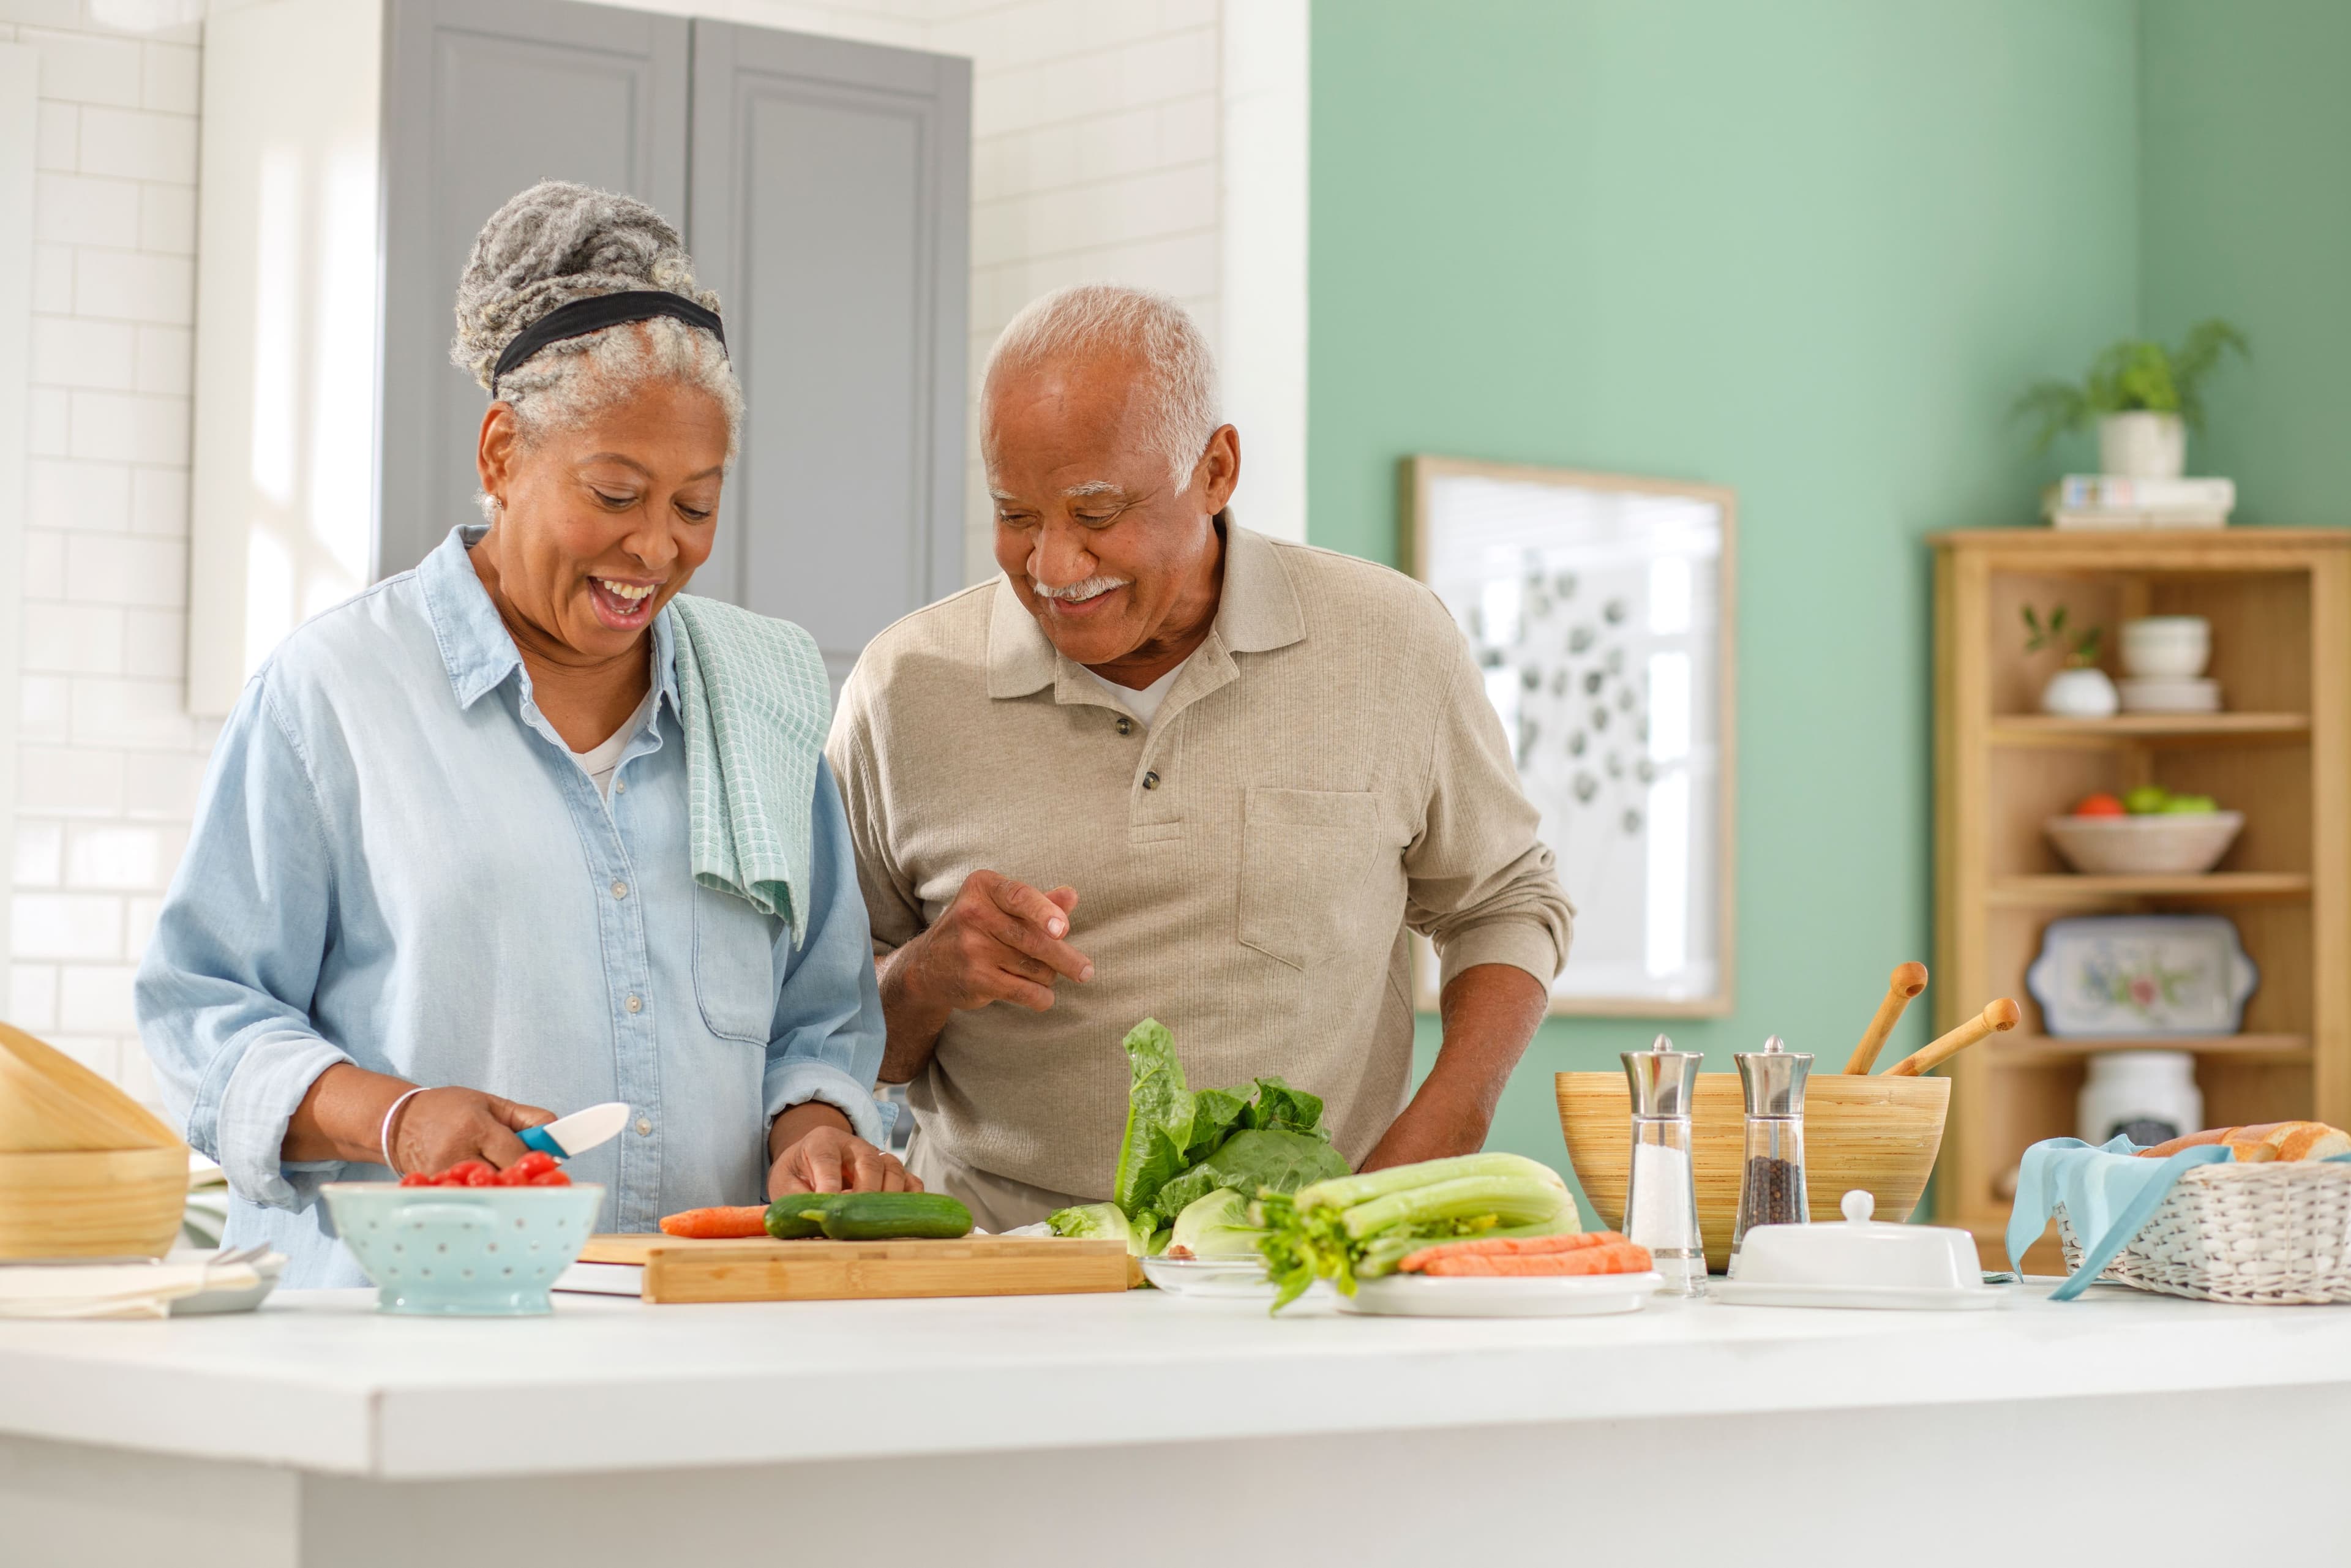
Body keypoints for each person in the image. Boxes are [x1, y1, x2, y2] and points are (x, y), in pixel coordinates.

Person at [138, 181, 912, 1287]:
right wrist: (394, 1119)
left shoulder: (765, 697)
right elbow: (201, 1014)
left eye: (697, 505)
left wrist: (814, 1129)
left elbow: (821, 1016)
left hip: (693, 1332)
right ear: (502, 454)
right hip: (410, 1334)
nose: (656, 548)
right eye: (614, 493)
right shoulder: (337, 694)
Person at [826, 283, 1572, 1230]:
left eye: (1097, 511)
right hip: (997, 1273)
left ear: (1216, 470)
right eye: (1017, 514)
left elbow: (1507, 902)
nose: (1053, 566)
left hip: (1299, 1273)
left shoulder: (1392, 644)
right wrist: (928, 975)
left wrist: (1434, 1139)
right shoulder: (904, 687)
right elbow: (824, 1038)